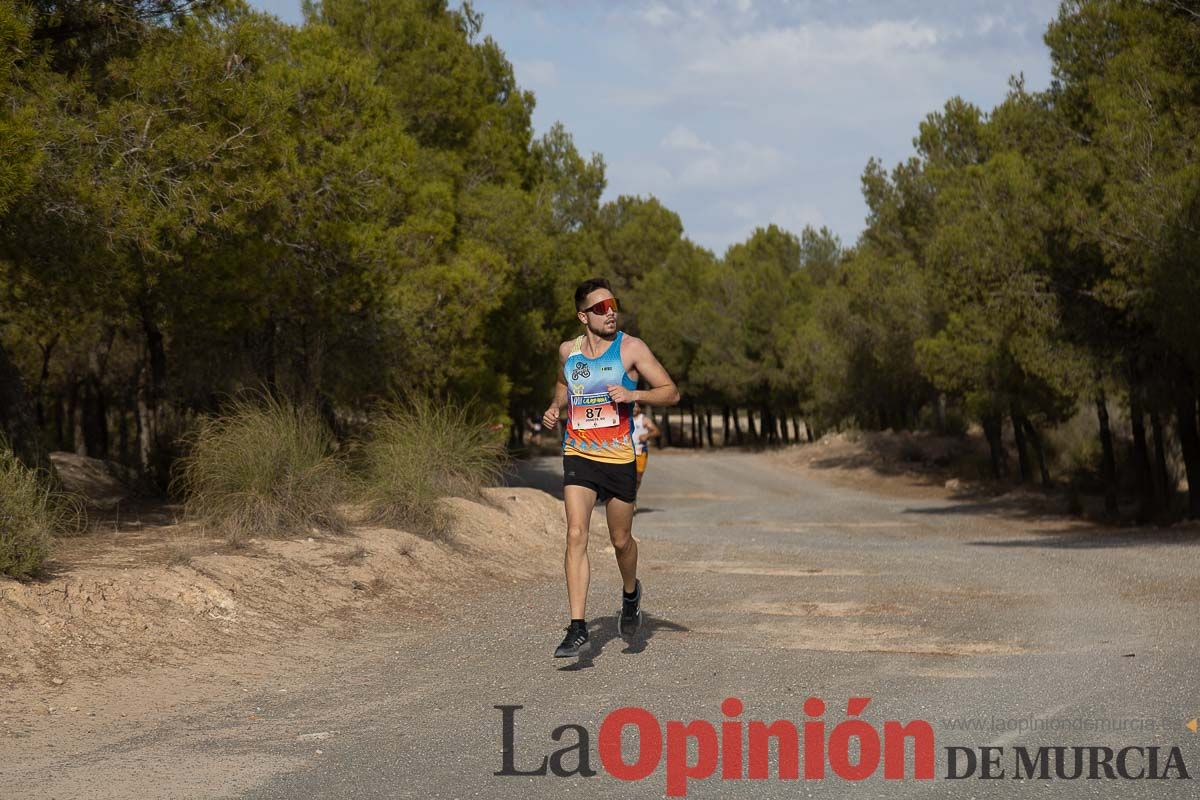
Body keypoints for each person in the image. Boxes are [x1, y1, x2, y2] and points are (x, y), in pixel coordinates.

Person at [542, 278, 680, 657]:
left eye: (613, 304)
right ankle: (577, 627)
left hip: (619, 458)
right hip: (579, 453)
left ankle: (631, 592)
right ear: (583, 316)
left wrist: (634, 393)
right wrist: (556, 407)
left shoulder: (631, 349)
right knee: (575, 533)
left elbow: (671, 391)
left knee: (621, 540)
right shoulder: (568, 350)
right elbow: (562, 383)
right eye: (601, 308)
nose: (611, 312)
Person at [631, 401, 660, 497]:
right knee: (628, 476)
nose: (634, 409)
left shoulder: (644, 419)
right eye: (632, 406)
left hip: (640, 451)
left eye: (636, 407)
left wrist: (647, 435)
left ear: (639, 408)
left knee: (638, 478)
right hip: (627, 451)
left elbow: (656, 431)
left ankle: (634, 495)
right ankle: (629, 497)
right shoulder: (625, 418)